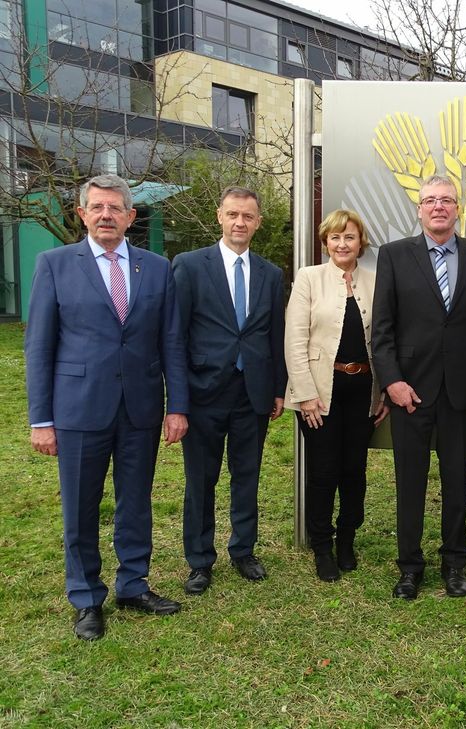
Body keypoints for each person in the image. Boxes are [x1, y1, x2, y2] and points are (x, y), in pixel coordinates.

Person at [24, 173, 189, 640]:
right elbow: (39, 347)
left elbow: (171, 341)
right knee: (81, 506)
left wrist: (177, 406)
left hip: (140, 408)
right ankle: (86, 596)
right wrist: (42, 419)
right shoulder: (55, 264)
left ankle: (133, 584)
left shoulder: (156, 268)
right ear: (82, 214)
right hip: (78, 409)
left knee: (135, 502)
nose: (106, 215)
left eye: (115, 208)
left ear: (131, 216)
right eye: (96, 207)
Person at [371, 175, 466, 600]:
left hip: (460, 395)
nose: (438, 207)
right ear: (419, 209)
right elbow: (383, 329)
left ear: (458, 208)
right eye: (430, 201)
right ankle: (410, 566)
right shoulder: (393, 255)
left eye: (446, 200)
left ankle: (455, 562)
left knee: (457, 481)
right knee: (410, 481)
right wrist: (392, 382)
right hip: (410, 394)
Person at [172, 186, 286, 595]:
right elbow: (176, 335)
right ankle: (200, 560)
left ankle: (243, 550)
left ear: (258, 222)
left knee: (247, 476)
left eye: (248, 216)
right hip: (203, 392)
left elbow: (276, 336)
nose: (240, 222)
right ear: (219, 216)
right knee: (200, 480)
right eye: (233, 214)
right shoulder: (189, 266)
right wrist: (178, 401)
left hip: (252, 394)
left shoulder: (272, 275)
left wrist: (278, 389)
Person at [284, 209, 388, 581]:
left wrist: (383, 392)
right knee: (324, 471)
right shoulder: (308, 278)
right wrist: (306, 394)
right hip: (319, 391)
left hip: (363, 389)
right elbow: (295, 339)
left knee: (354, 471)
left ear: (361, 243)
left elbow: (384, 340)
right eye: (335, 237)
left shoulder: (376, 281)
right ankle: (322, 546)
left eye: (350, 237)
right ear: (325, 242)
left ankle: (347, 539)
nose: (342, 244)